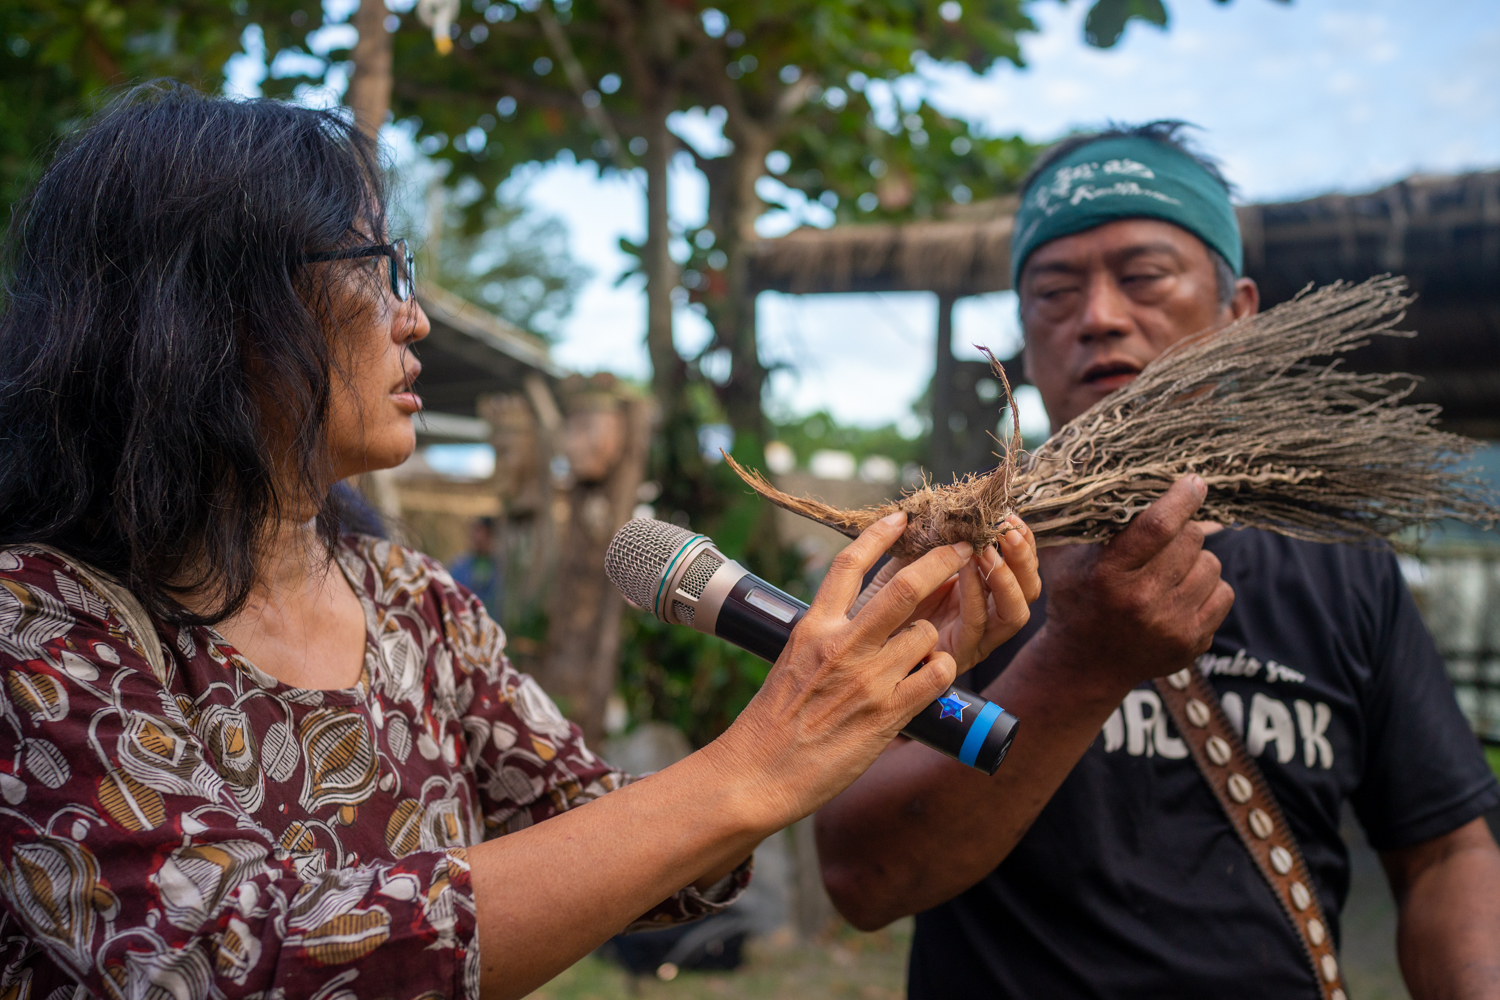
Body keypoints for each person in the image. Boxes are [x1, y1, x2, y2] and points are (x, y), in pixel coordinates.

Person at [0, 85, 1048, 1000]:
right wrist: (759, 758)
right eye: (377, 266)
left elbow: (635, 847)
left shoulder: (409, 599)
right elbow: (231, 961)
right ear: (209, 312)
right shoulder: (41, 622)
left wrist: (844, 693)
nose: (412, 318)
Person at [816, 122, 1500, 998]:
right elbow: (861, 879)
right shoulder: (939, 564)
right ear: (1023, 335)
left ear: (1238, 315)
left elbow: (1446, 849)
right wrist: (1080, 663)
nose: (1098, 317)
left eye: (1143, 277)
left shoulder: (1341, 563)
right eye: (1055, 290)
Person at [448, 518, 500, 617]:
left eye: (481, 533)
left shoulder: (493, 565)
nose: (477, 537)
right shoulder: (461, 564)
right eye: (475, 532)